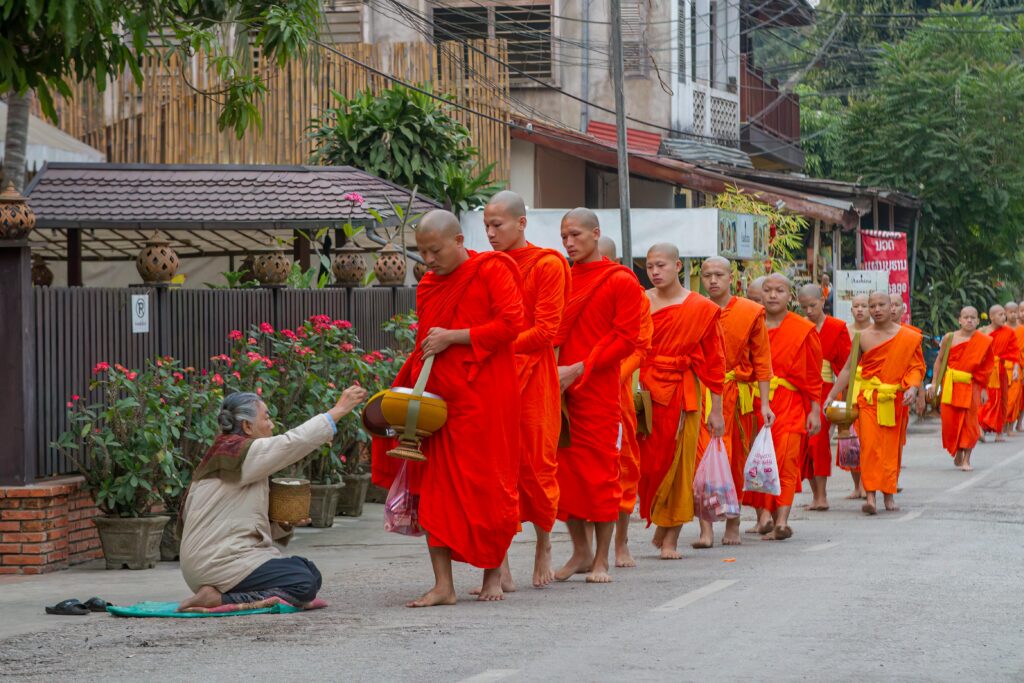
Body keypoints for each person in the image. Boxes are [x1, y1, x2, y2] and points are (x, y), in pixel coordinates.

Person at [372, 209, 525, 607]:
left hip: (486, 397)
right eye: (422, 252)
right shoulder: (428, 285)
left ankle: (493, 574)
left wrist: (454, 337)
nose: (429, 260)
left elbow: (511, 324)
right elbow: (427, 340)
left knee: (488, 484)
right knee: (434, 491)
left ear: (458, 241)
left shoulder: (492, 269)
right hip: (439, 402)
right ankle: (444, 585)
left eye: (435, 250)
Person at [177, 386, 368, 611]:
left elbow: (240, 523)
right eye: (266, 418)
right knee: (303, 584)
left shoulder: (230, 455)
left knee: (310, 572)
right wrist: (337, 411)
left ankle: (220, 592)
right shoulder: (241, 452)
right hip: (219, 562)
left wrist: (283, 524)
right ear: (247, 426)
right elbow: (292, 443)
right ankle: (218, 599)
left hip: (219, 559)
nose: (271, 425)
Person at [482, 191, 570, 590]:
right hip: (493, 377)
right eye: (486, 225)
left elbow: (546, 332)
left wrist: (493, 343)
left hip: (534, 376)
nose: (490, 233)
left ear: (521, 224)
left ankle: (544, 544)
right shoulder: (485, 267)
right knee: (494, 466)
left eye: (497, 225)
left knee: (536, 465)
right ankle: (497, 559)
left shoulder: (547, 264)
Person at [553, 208, 645, 584]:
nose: (569, 243)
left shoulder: (619, 280)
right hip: (559, 391)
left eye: (575, 235)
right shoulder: (562, 278)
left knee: (601, 475)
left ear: (595, 234)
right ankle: (580, 551)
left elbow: (627, 339)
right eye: (564, 238)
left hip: (599, 391)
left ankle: (603, 559)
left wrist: (578, 369)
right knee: (566, 475)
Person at [635, 244, 725, 558]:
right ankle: (662, 520)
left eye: (661, 265)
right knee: (649, 465)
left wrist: (717, 409)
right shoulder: (641, 301)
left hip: (683, 392)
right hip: (645, 392)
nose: (655, 272)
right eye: (649, 267)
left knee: (681, 464)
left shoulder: (699, 307)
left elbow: (714, 362)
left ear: (678, 266)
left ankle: (671, 537)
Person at [696, 257, 774, 545]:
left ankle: (733, 522)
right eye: (707, 275)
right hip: (701, 393)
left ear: (732, 278)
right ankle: (705, 529)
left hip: (735, 395)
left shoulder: (750, 312)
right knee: (700, 460)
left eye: (719, 275)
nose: (713, 280)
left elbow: (762, 361)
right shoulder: (695, 307)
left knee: (733, 460)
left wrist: (764, 404)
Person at [827, 292, 924, 515]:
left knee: (890, 448)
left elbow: (916, 367)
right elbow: (848, 369)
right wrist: (832, 394)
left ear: (892, 307)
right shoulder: (862, 337)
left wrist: (913, 387)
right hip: (869, 399)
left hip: (893, 399)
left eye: (881, 305)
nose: (877, 309)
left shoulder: (908, 337)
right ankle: (870, 496)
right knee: (869, 447)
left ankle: (888, 495)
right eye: (873, 306)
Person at [742, 274, 822, 540]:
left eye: (780, 290)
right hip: (754, 402)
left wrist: (814, 409)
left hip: (790, 404)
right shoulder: (752, 326)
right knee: (758, 461)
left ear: (790, 297)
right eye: (768, 290)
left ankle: (782, 521)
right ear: (760, 294)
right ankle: (764, 515)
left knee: (786, 460)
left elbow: (812, 375)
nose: (773, 295)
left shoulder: (802, 329)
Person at [596, 236, 652, 567]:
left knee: (623, 466)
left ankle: (620, 542)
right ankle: (585, 547)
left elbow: (640, 345)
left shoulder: (632, 294)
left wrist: (613, 374)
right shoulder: (571, 285)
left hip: (614, 392)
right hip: (579, 387)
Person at [797, 283, 851, 512]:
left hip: (826, 389)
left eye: (812, 305)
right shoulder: (797, 326)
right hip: (801, 390)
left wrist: (839, 397)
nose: (808, 311)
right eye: (803, 307)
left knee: (818, 441)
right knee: (803, 443)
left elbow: (846, 366)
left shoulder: (837, 327)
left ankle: (822, 495)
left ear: (822, 301)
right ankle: (815, 494)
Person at [928, 307, 994, 471]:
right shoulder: (949, 338)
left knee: (970, 423)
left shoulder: (983, 341)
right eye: (966, 317)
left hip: (972, 385)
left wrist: (985, 389)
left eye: (973, 317)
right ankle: (957, 448)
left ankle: (966, 459)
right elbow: (939, 361)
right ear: (959, 320)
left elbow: (987, 367)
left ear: (978, 321)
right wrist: (935, 382)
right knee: (950, 423)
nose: (969, 320)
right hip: (951, 385)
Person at [841, 292, 872, 499]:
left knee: (868, 437)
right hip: (848, 388)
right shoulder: (844, 331)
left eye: (864, 306)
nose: (860, 309)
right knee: (849, 438)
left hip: (870, 388)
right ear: (851, 309)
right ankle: (856, 484)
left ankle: (867, 482)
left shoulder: (876, 332)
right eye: (856, 306)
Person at [977, 305, 1020, 442]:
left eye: (1003, 315)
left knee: (1001, 401)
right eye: (1000, 315)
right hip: (986, 371)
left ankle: (999, 433)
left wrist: (1015, 369)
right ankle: (980, 427)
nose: (1003, 317)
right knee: (986, 400)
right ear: (991, 317)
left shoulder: (1009, 332)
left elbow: (1014, 352)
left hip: (1000, 371)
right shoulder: (982, 332)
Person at [1003, 302, 1022, 433]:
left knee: (1015, 398)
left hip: (1018, 366)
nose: (1014, 314)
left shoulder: (1022, 329)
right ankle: (1002, 425)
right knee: (1004, 397)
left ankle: (1010, 426)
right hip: (1003, 365)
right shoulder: (1001, 329)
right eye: (1011, 312)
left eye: (1015, 312)